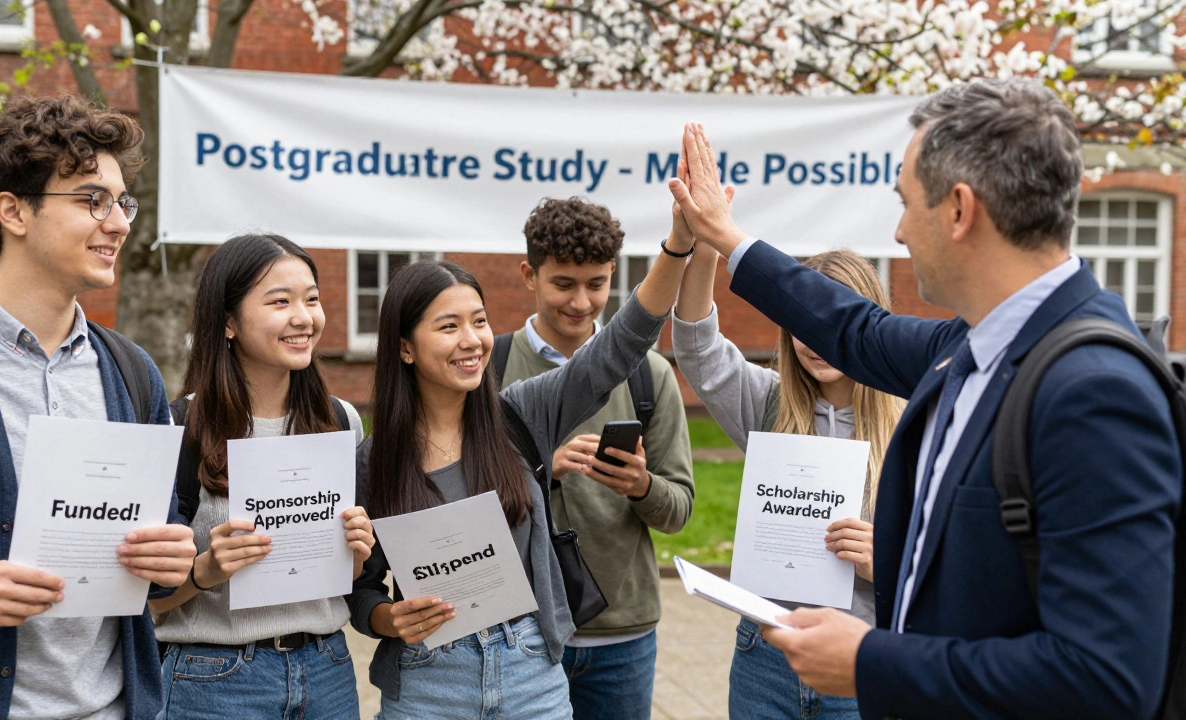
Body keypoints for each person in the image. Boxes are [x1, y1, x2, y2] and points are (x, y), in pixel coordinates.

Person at [669, 79, 1181, 719]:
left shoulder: (1094, 392)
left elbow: (1106, 676)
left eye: (906, 203)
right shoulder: (971, 344)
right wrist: (723, 235)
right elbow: (855, 330)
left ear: (960, 209)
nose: (901, 231)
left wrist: (870, 662)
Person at [0, 95, 197, 719]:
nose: (119, 222)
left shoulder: (131, 371)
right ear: (12, 211)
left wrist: (173, 560)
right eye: (93, 200)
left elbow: (161, 568)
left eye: (123, 203)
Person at [347, 228, 692, 718]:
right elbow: (359, 588)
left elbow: (622, 342)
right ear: (405, 348)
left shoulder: (521, 414)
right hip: (428, 685)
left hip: (530, 672)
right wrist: (388, 619)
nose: (472, 341)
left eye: (480, 321)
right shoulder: (372, 461)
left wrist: (678, 245)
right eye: (449, 327)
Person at [150, 233, 374, 719]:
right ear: (228, 322)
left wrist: (356, 551)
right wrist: (206, 570)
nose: (304, 317)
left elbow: (346, 579)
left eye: (312, 299)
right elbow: (146, 603)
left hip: (328, 670)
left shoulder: (341, 420)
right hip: (213, 680)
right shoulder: (177, 430)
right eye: (281, 301)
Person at [673, 243, 901, 719]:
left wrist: (890, 568)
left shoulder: (912, 423)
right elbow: (696, 346)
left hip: (861, 657)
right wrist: (704, 244)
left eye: (831, 321)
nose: (815, 339)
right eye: (803, 322)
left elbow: (955, 562)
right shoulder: (770, 405)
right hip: (767, 658)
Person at [494, 197, 694, 720]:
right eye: (564, 283)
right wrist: (540, 467)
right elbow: (459, 496)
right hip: (521, 631)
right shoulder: (486, 369)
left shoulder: (651, 376)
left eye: (598, 284)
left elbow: (679, 511)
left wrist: (641, 485)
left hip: (622, 637)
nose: (582, 302)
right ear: (528, 275)